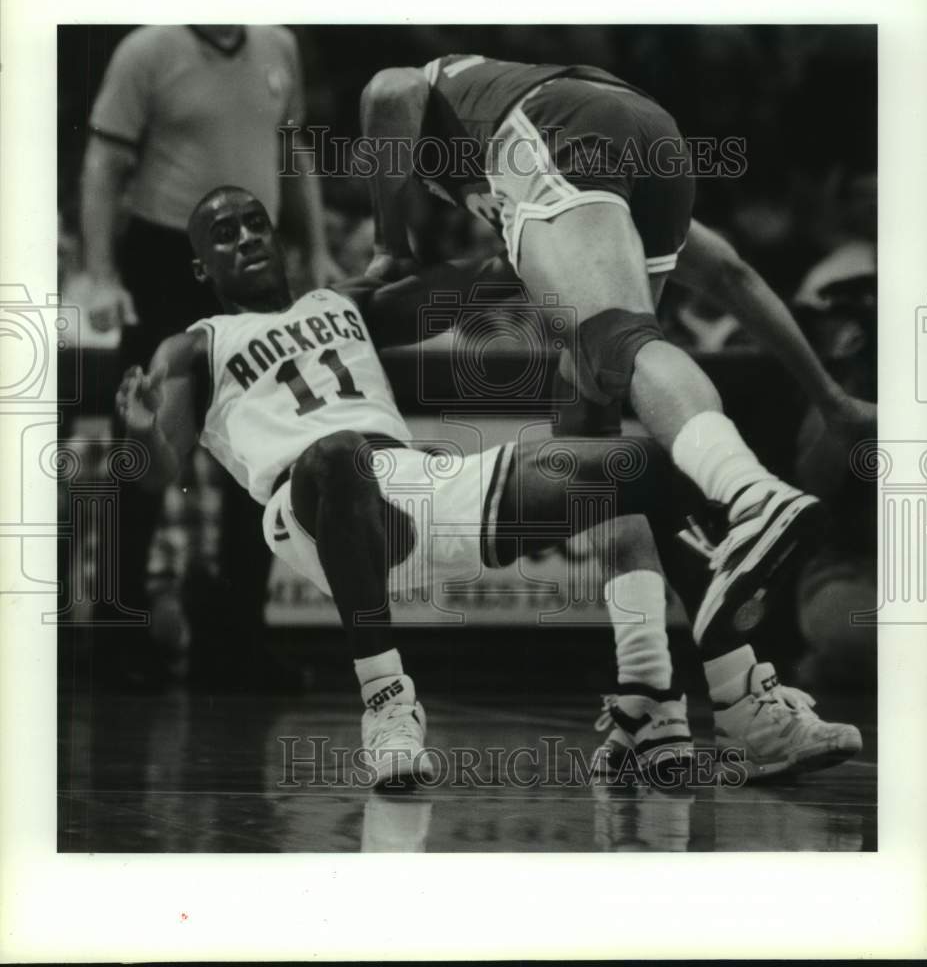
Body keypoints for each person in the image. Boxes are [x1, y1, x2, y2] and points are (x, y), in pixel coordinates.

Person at [116, 185, 726, 785]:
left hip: (415, 487)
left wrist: (543, 225)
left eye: (255, 222)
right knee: (336, 454)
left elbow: (477, 281)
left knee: (641, 466)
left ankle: (711, 696)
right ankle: (388, 706)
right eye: (225, 234)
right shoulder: (194, 345)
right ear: (202, 265)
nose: (246, 236)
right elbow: (155, 478)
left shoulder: (341, 303)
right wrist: (142, 432)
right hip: (309, 507)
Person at [358, 54, 876, 651]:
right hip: (651, 134)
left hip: (559, 124)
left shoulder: (448, 118)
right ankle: (649, 685)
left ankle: (751, 494)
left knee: (618, 344)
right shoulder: (500, 174)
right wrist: (832, 400)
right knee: (588, 421)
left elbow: (389, 85)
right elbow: (731, 274)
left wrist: (389, 246)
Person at [375, 254, 865, 782]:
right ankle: (730, 689)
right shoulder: (553, 203)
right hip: (589, 340)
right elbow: (730, 276)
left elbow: (730, 274)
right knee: (642, 468)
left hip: (589, 338)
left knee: (622, 479)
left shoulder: (583, 206)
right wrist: (829, 397)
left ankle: (649, 700)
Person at [72, 25, 340, 680]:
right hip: (167, 261)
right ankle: (116, 638)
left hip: (255, 266)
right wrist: (102, 272)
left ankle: (236, 641)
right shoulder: (147, 51)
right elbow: (104, 166)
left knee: (262, 450)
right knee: (147, 443)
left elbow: (292, 151)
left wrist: (317, 251)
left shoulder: (277, 45)